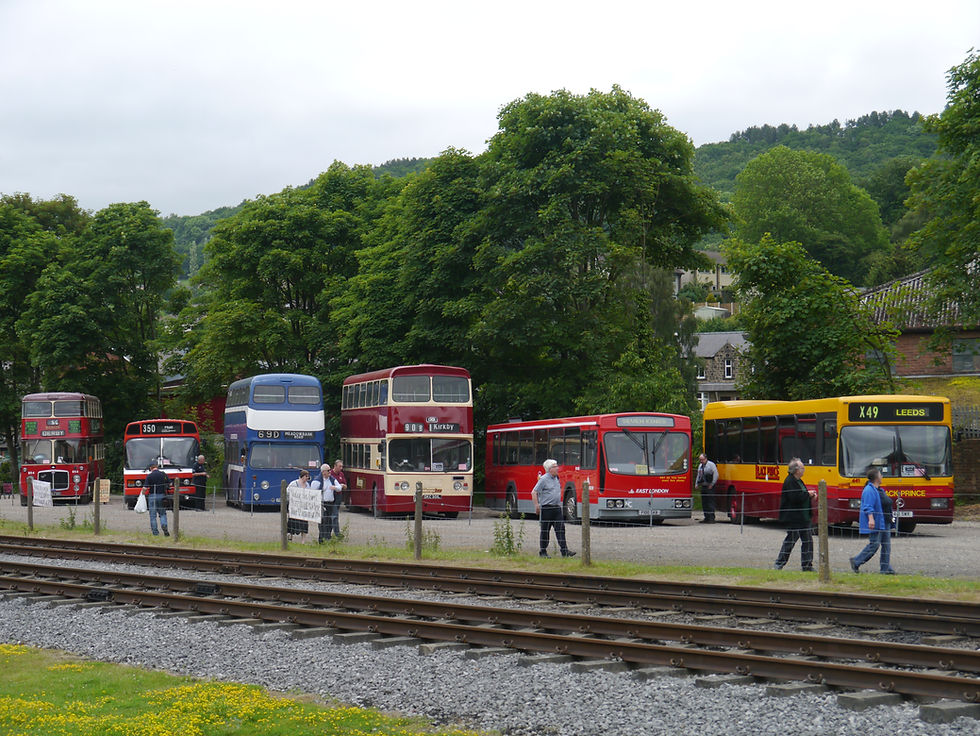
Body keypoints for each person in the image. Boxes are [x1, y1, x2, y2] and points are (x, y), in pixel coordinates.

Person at [850, 468, 897, 574]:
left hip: (885, 521)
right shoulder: (869, 490)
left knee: (886, 546)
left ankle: (885, 568)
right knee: (874, 544)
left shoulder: (879, 490)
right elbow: (868, 506)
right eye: (880, 475)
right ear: (876, 478)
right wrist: (871, 519)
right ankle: (856, 561)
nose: (882, 477)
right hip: (877, 521)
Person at [773, 457, 816, 571]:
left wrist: (809, 495)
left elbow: (802, 494)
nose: (804, 470)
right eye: (802, 468)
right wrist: (808, 494)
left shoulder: (798, 481)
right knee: (790, 541)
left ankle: (807, 565)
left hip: (804, 517)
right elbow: (795, 497)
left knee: (807, 541)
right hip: (794, 518)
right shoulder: (790, 481)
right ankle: (779, 563)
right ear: (796, 470)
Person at [531, 459, 575, 558]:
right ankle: (543, 551)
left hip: (557, 508)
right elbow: (534, 492)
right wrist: (537, 505)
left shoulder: (556, 478)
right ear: (550, 469)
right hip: (547, 508)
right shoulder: (543, 479)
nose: (557, 468)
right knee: (545, 530)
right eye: (555, 467)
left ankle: (564, 551)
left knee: (561, 529)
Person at [312, 463, 342, 543]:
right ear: (323, 472)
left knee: (330, 521)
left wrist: (335, 487)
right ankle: (322, 538)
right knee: (323, 521)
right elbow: (313, 491)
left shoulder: (332, 479)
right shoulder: (317, 481)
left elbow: (339, 487)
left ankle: (328, 537)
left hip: (331, 503)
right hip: (322, 503)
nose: (330, 472)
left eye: (330, 470)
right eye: (328, 470)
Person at [142, 459, 170, 537]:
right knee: (162, 513)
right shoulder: (163, 474)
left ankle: (155, 533)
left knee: (153, 516)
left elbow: (145, 488)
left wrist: (142, 495)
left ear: (151, 468)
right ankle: (164, 525)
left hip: (152, 496)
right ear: (157, 466)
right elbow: (169, 483)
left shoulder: (149, 476)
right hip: (162, 496)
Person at [285, 469, 311, 540]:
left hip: (304, 508)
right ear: (302, 476)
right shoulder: (294, 483)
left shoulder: (307, 485)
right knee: (292, 523)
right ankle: (290, 538)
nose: (307, 478)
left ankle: (303, 541)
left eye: (308, 476)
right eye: (306, 476)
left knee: (304, 524)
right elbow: (287, 492)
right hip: (295, 507)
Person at [695, 453, 718, 523]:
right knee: (704, 502)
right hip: (703, 485)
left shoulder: (711, 465)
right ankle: (706, 517)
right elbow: (698, 475)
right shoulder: (700, 466)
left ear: (706, 459)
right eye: (700, 460)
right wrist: (696, 484)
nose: (701, 461)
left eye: (702, 459)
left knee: (710, 502)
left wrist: (712, 484)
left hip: (710, 486)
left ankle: (711, 518)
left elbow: (716, 474)